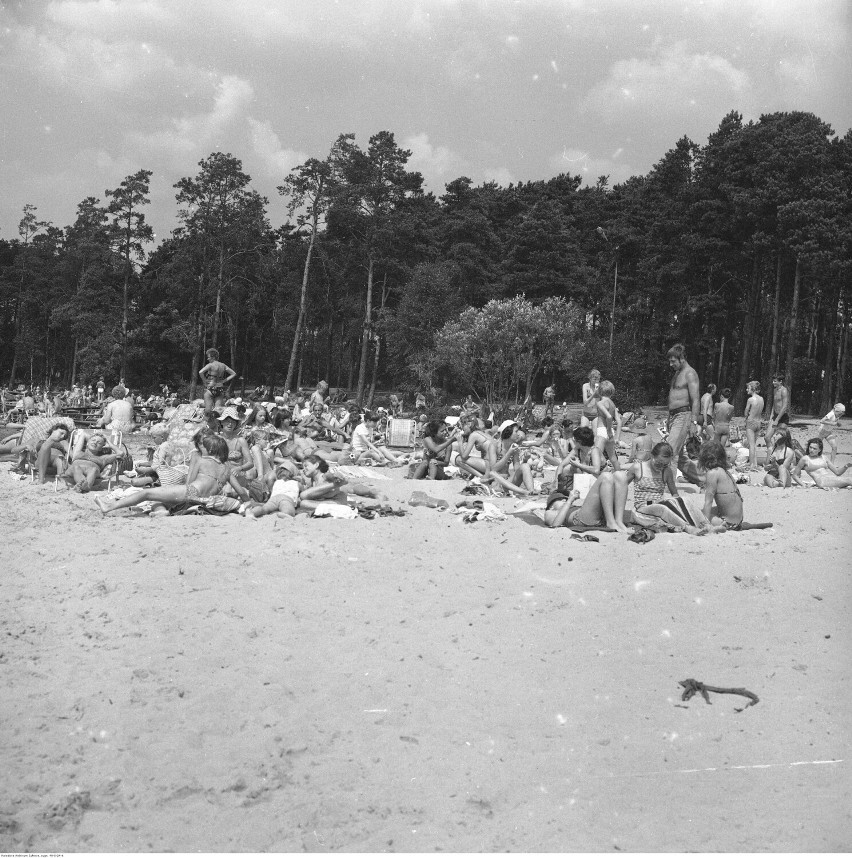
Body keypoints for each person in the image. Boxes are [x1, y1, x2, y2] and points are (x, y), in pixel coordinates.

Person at [96, 434, 249, 515]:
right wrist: (248, 504)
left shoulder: (202, 461)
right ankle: (162, 511)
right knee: (161, 499)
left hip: (191, 492)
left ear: (210, 450)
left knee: (147, 493)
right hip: (205, 499)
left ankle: (109, 507)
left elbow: (189, 482)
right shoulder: (226, 468)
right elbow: (241, 492)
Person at [666, 344, 700, 481]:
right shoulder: (677, 373)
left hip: (683, 416)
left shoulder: (690, 373)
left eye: (673, 361)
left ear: (682, 358)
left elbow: (696, 399)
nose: (670, 364)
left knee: (670, 451)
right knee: (681, 460)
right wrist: (669, 417)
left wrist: (694, 422)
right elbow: (673, 396)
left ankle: (669, 487)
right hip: (674, 417)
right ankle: (704, 480)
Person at [698, 441, 744, 530]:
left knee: (698, 515)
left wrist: (704, 524)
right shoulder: (724, 472)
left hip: (728, 524)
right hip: (738, 521)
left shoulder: (712, 473)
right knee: (703, 511)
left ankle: (718, 526)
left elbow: (708, 502)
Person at [483, 420, 535, 496]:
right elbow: (494, 468)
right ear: (508, 432)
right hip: (497, 482)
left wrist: (525, 460)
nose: (518, 434)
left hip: (509, 481)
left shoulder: (514, 446)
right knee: (492, 473)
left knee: (525, 466)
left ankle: (531, 491)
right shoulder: (494, 445)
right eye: (516, 431)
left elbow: (517, 469)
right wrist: (509, 453)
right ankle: (523, 492)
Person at [199, 348, 237, 415]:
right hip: (220, 389)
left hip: (209, 388)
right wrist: (224, 380)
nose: (207, 359)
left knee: (208, 410)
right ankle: (217, 424)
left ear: (213, 357)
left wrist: (204, 380)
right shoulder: (223, 365)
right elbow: (233, 374)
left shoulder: (210, 365)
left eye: (208, 357)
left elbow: (200, 372)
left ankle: (207, 424)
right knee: (218, 411)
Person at [595, 380, 621, 470]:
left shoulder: (600, 403)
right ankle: (620, 475)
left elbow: (609, 417)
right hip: (611, 433)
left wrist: (608, 429)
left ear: (600, 391)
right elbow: (619, 421)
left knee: (597, 455)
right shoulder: (613, 404)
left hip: (602, 430)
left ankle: (598, 475)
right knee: (613, 457)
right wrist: (617, 436)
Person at [743, 381, 765, 471]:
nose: (746, 390)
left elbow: (745, 412)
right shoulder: (762, 399)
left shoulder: (750, 400)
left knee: (751, 445)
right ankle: (754, 463)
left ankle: (752, 465)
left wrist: (746, 417)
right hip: (758, 422)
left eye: (748, 388)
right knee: (754, 445)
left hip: (751, 422)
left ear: (752, 389)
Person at [764, 375, 790, 449]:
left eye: (775, 381)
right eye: (773, 381)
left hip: (783, 418)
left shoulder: (784, 390)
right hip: (775, 416)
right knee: (767, 438)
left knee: (781, 440)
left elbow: (784, 406)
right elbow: (774, 404)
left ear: (780, 381)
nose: (773, 382)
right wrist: (771, 417)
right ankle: (772, 453)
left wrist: (777, 420)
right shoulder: (775, 390)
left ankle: (786, 455)